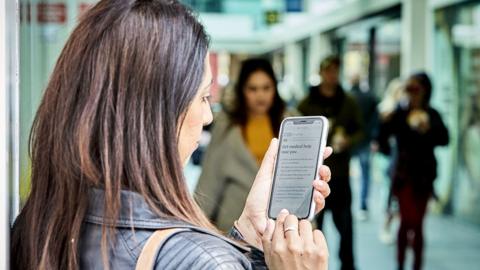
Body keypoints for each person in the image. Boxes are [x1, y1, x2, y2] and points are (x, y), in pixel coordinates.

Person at [10, 1, 334, 269]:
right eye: (203, 97)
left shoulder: (35, 226)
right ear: (157, 114)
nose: (207, 116)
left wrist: (246, 233)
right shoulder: (203, 259)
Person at [194, 58, 287, 231]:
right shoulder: (227, 127)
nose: (260, 95)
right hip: (235, 225)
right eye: (253, 89)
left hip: (281, 226)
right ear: (242, 91)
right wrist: (198, 227)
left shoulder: (290, 123)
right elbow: (210, 179)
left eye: (266, 88)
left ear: (275, 89)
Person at [377, 72, 449, 270]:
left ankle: (416, 265)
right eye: (408, 89)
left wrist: (428, 129)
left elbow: (445, 139)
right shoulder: (400, 114)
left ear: (425, 91)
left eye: (415, 89)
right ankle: (400, 264)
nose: (412, 94)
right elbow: (382, 142)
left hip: (425, 177)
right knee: (409, 220)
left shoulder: (432, 114)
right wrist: (385, 121)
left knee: (417, 225)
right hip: (404, 176)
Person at [298, 55, 364, 270]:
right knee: (315, 226)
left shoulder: (348, 101)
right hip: (314, 175)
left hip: (341, 173)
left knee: (346, 227)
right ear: (321, 72)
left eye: (335, 71)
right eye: (328, 70)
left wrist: (349, 141)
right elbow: (298, 129)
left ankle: (348, 265)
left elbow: (361, 130)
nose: (331, 75)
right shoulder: (307, 102)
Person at [349, 74, 379, 220]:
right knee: (365, 174)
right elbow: (375, 119)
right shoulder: (369, 97)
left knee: (344, 175)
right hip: (365, 141)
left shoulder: (348, 98)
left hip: (350, 141)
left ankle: (350, 205)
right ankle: (363, 205)